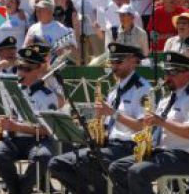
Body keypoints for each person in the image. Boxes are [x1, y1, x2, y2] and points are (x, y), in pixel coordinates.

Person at [49, 42, 151, 194]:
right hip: (109, 145)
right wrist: (96, 121)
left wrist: (112, 113)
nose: (114, 66)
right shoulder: (115, 90)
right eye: (112, 62)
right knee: (56, 164)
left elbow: (143, 126)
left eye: (118, 62)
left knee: (85, 161)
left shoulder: (142, 89)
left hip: (130, 147)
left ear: (132, 60)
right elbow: (106, 124)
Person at [108, 51, 189, 194]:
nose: (167, 78)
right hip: (163, 153)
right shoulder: (166, 98)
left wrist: (161, 122)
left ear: (186, 74)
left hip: (186, 157)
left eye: (172, 73)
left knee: (138, 172)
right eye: (166, 72)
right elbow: (157, 124)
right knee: (117, 168)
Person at [0, 45, 60, 194]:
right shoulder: (10, 91)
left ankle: (21, 190)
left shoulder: (47, 96)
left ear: (38, 70)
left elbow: (48, 130)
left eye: (27, 69)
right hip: (13, 140)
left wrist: (17, 127)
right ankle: (17, 190)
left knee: (43, 157)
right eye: (19, 68)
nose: (21, 72)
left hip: (37, 140)